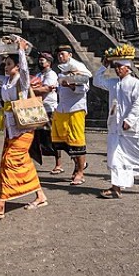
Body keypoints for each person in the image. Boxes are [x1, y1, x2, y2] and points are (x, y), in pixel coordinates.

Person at [0, 37, 48, 218]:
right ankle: (40, 195)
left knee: (11, 161)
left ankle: (1, 203)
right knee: (15, 162)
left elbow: (25, 70)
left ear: (17, 66)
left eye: (9, 64)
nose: (6, 66)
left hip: (24, 127)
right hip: (11, 127)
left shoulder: (22, 80)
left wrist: (20, 51)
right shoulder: (5, 81)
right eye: (6, 64)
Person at [93, 51, 139, 198]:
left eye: (120, 67)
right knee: (116, 156)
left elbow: (138, 104)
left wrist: (130, 120)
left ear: (127, 68)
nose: (117, 69)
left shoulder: (135, 84)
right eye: (115, 66)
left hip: (131, 127)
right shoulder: (113, 83)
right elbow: (97, 81)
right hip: (115, 126)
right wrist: (104, 66)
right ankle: (116, 187)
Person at [53, 44, 93, 185]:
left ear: (70, 55)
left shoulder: (78, 68)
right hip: (62, 109)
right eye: (58, 54)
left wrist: (70, 85)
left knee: (77, 141)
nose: (60, 56)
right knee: (64, 141)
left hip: (76, 109)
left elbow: (84, 88)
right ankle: (79, 165)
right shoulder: (61, 71)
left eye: (62, 54)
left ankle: (80, 173)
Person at [31, 52, 62, 172]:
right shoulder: (38, 75)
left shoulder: (52, 74)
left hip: (50, 108)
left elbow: (46, 89)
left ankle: (58, 164)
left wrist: (32, 89)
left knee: (52, 136)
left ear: (49, 62)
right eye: (39, 60)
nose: (40, 62)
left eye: (42, 60)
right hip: (38, 108)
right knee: (37, 136)